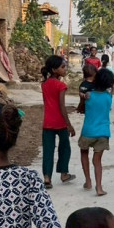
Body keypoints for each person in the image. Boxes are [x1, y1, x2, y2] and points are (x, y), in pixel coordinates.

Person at [40, 55, 76, 188]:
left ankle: (47, 177)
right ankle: (63, 173)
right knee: (65, 147)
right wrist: (69, 124)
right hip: (60, 122)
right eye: (62, 67)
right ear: (54, 70)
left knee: (48, 150)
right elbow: (62, 106)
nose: (65, 69)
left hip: (48, 122)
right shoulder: (61, 85)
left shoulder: (44, 84)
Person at [79, 68, 114, 196]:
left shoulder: (88, 96)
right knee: (97, 161)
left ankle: (88, 181)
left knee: (84, 153)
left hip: (88, 131)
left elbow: (81, 109)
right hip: (103, 132)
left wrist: (83, 97)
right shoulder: (108, 97)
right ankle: (99, 187)